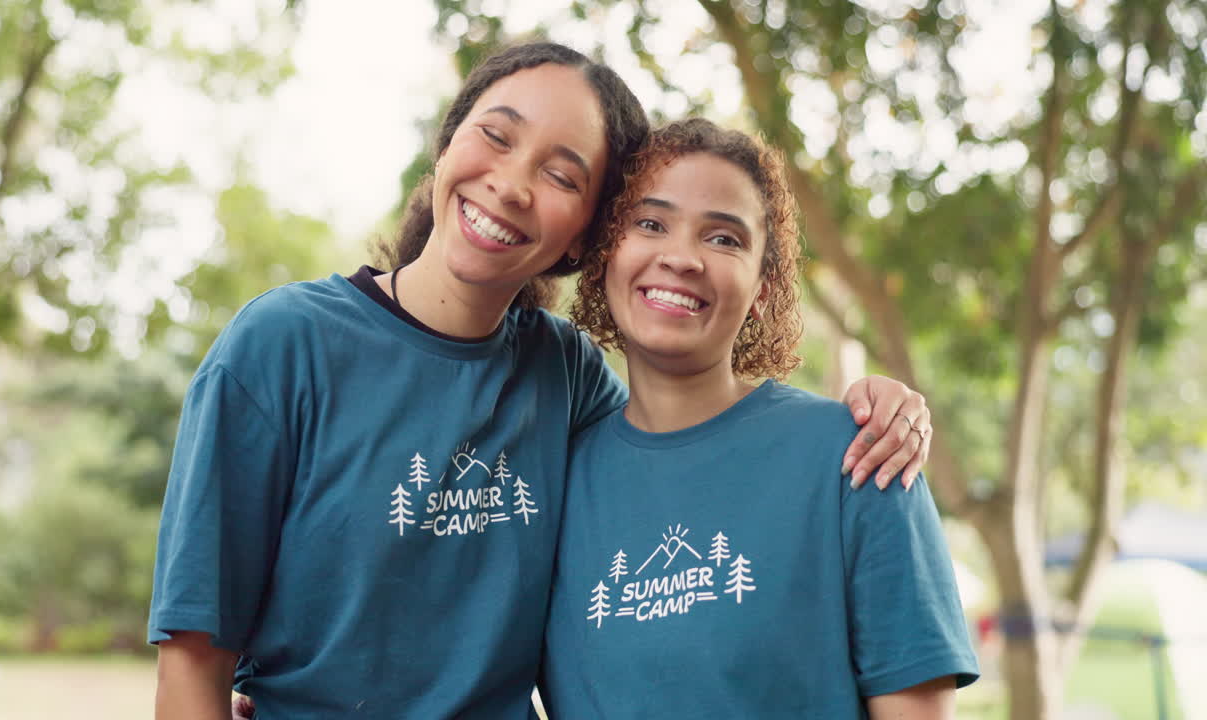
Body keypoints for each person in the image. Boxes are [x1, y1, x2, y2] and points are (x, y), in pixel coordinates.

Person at [151, 43, 934, 719]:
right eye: (495, 137)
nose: (511, 184)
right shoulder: (282, 346)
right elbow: (192, 652)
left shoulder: (564, 376)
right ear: (447, 143)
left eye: (562, 175)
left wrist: (884, 404)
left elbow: (693, 440)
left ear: (582, 239)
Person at [540, 119, 978, 718]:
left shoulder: (860, 456)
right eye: (650, 224)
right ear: (604, 253)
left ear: (763, 288)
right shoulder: (553, 480)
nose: (681, 257)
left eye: (723, 239)